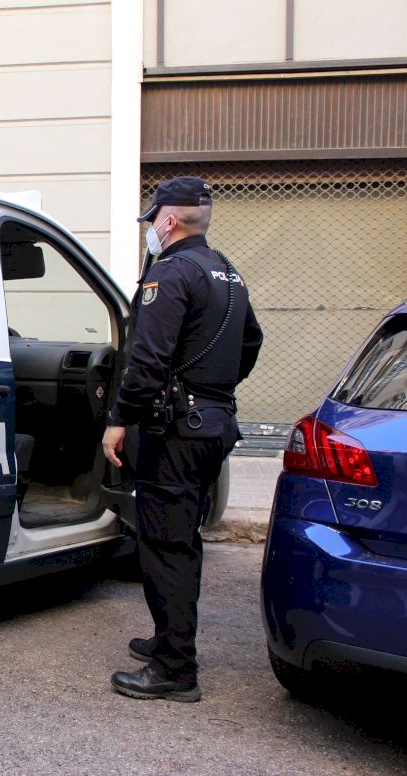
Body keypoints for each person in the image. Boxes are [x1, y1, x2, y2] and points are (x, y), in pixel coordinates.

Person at [102, 176, 263, 702]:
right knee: (181, 537)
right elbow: (251, 342)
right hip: (213, 423)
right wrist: (212, 390)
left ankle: (176, 669)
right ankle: (167, 638)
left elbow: (147, 360)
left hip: (175, 431)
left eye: (152, 220)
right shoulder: (228, 272)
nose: (149, 229)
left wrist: (120, 419)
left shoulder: (170, 273)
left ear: (168, 221)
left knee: (166, 545)